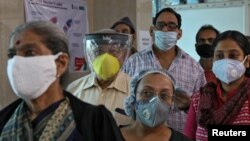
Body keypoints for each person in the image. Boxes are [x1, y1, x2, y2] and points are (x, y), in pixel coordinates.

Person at [0, 21, 125, 141]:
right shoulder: (4, 119)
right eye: (12, 55)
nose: (17, 62)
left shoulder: (94, 122)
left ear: (61, 63)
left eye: (30, 52)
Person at [122, 7, 206, 133]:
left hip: (180, 136)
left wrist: (190, 105)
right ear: (152, 31)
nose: (165, 29)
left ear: (179, 33)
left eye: (171, 26)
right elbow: (121, 99)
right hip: (142, 135)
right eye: (160, 25)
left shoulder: (194, 68)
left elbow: (205, 110)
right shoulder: (133, 62)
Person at [184, 30, 250, 141]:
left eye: (233, 55)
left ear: (247, 61)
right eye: (219, 56)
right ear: (213, 60)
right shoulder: (199, 100)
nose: (226, 61)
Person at [67, 29, 132, 126]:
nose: (105, 57)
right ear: (89, 55)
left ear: (123, 55)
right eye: (98, 52)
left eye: (113, 51)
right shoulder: (74, 90)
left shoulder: (135, 91)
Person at [121, 68, 193, 141]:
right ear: (134, 98)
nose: (155, 101)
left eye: (164, 95)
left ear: (172, 102)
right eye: (147, 93)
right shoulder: (111, 135)